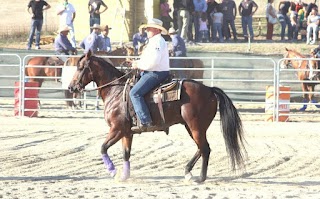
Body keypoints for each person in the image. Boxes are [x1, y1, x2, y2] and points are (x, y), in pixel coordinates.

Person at [129, 18, 170, 132]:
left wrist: (138, 65)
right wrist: (137, 62)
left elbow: (154, 62)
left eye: (149, 28)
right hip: (154, 71)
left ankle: (146, 121)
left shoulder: (157, 41)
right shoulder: (155, 41)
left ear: (156, 30)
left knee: (135, 93)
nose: (146, 30)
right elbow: (149, 59)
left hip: (155, 73)